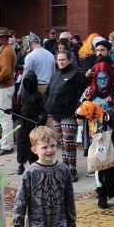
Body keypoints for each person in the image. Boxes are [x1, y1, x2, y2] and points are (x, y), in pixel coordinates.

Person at [77, 61, 114, 209]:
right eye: (99, 79)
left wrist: (108, 113)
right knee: (99, 162)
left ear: (110, 77)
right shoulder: (90, 90)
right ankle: (101, 196)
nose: (102, 82)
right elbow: (79, 108)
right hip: (97, 133)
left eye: (105, 78)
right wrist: (81, 111)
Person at [45, 50, 87, 182]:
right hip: (55, 114)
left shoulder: (76, 75)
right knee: (62, 142)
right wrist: (47, 107)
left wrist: (79, 113)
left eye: (63, 60)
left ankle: (72, 169)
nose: (61, 62)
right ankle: (64, 168)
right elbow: (48, 92)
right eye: (58, 60)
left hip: (69, 114)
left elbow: (81, 95)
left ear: (70, 60)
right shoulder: (55, 75)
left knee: (68, 142)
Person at [0, 27, 17, 156]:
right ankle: (7, 144)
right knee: (5, 117)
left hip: (4, 87)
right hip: (3, 87)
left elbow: (6, 72)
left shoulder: (6, 51)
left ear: (5, 38)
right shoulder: (5, 50)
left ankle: (7, 146)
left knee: (5, 118)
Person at [16, 70, 47, 175]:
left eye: (30, 82)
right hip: (23, 121)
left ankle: (33, 163)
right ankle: (21, 163)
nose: (28, 84)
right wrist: (12, 110)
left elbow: (44, 111)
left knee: (32, 142)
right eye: (26, 81)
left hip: (33, 122)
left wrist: (40, 121)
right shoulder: (23, 94)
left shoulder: (38, 96)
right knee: (21, 143)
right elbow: (19, 108)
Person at [18, 33, 55, 98]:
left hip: (36, 89)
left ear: (30, 42)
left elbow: (26, 75)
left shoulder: (30, 56)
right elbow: (53, 73)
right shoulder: (50, 54)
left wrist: (21, 91)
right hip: (49, 88)